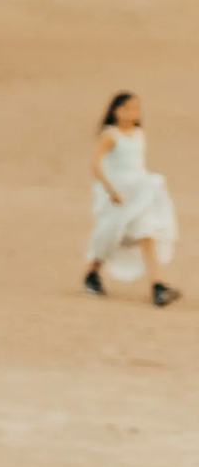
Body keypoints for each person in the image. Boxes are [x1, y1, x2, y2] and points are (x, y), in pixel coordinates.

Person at [83, 93, 177, 307]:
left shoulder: (138, 134)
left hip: (139, 194)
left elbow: (137, 166)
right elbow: (96, 165)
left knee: (147, 233)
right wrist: (111, 191)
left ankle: (158, 285)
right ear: (115, 111)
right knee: (109, 236)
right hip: (116, 196)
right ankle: (92, 273)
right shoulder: (110, 135)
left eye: (136, 109)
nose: (133, 113)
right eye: (127, 108)